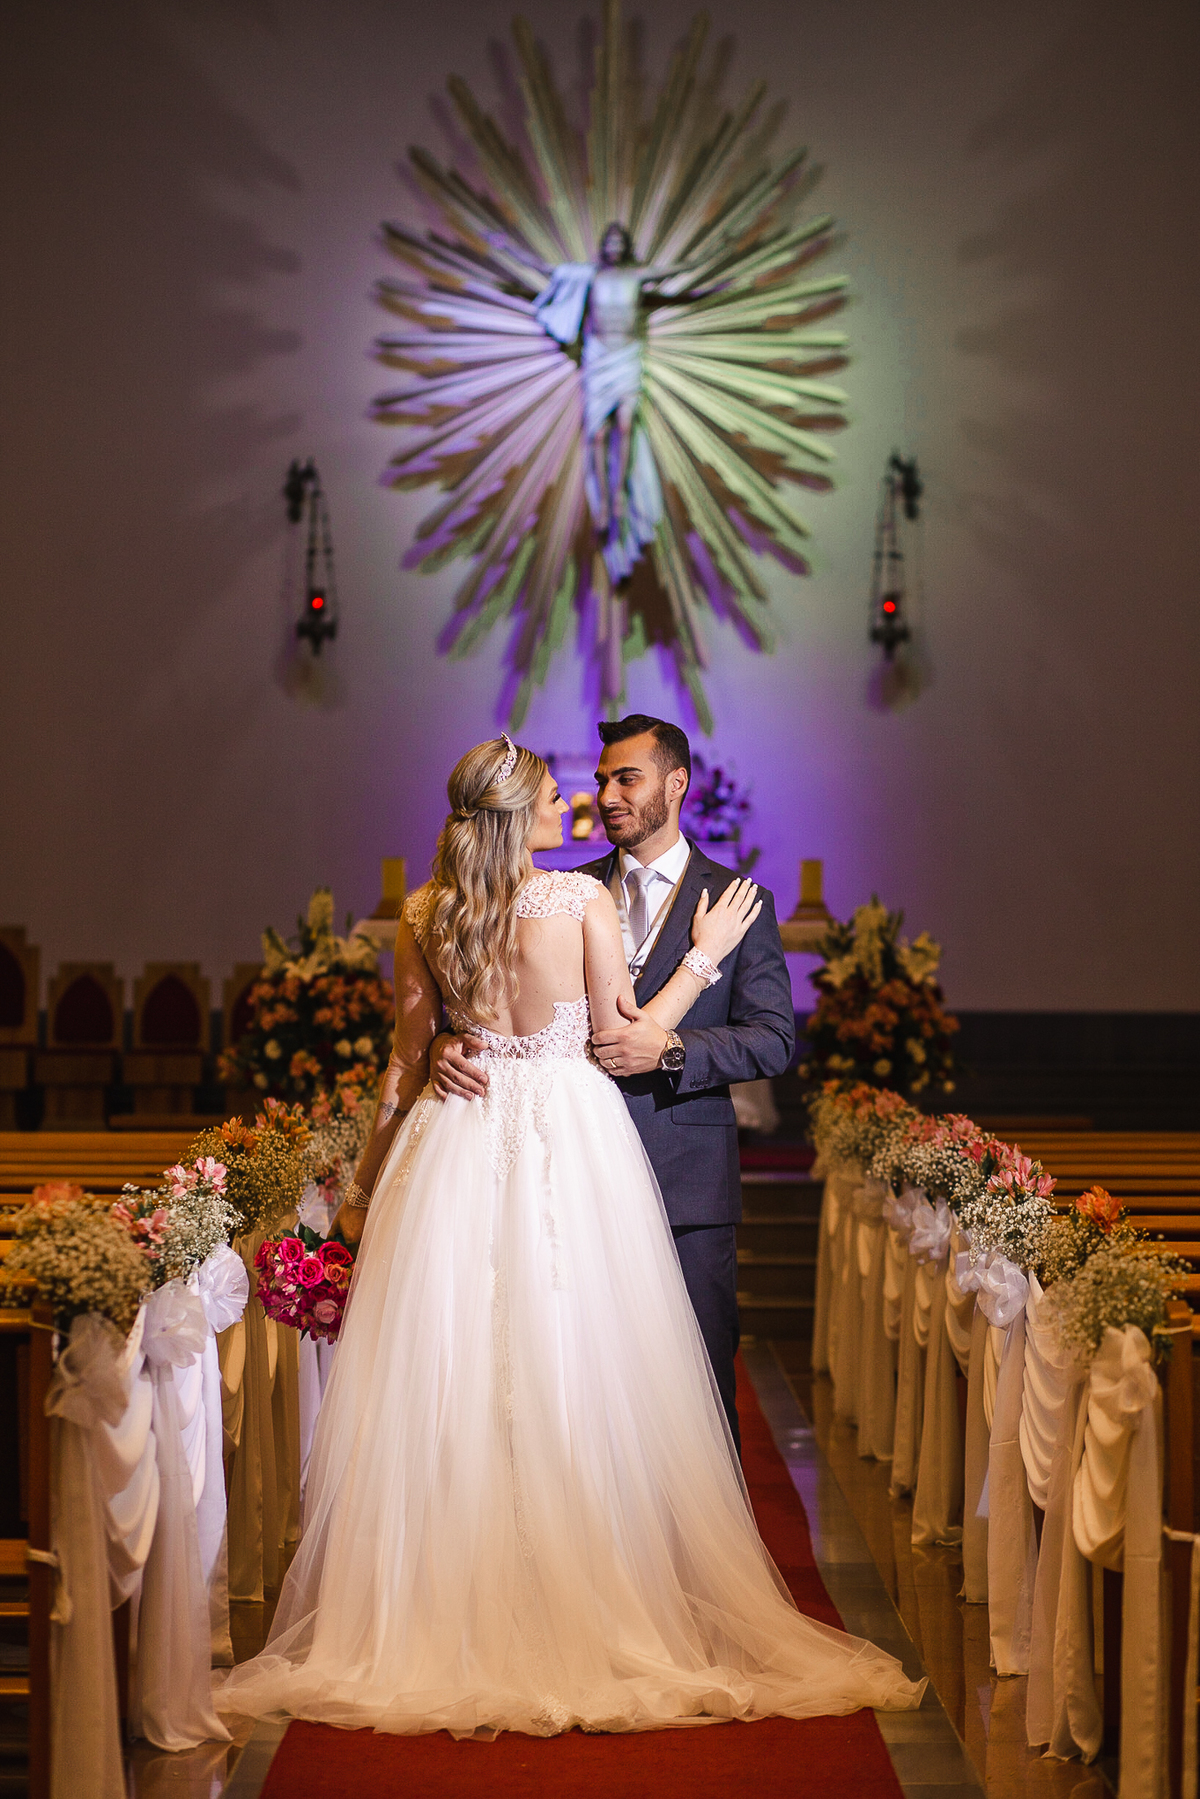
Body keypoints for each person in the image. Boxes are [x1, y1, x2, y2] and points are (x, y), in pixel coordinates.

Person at [217, 735, 924, 1737]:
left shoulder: (426, 915)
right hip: (569, 1145)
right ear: (519, 814)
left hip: (454, 1150)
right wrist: (703, 959)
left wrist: (366, 1196)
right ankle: (583, 1586)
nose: (578, 809)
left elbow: (403, 1066)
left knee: (456, 1371)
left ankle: (447, 1603)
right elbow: (617, 1034)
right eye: (560, 795)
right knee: (575, 1366)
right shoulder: (580, 902)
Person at [432, 713, 794, 1454]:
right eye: (599, 780)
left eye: (626, 778)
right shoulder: (561, 887)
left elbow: (773, 1037)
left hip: (683, 1178)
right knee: (578, 1397)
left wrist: (669, 1050)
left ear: (676, 784)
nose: (606, 794)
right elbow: (485, 995)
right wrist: (445, 1038)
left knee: (694, 1391)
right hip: (564, 1184)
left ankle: (694, 1562)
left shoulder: (734, 900)